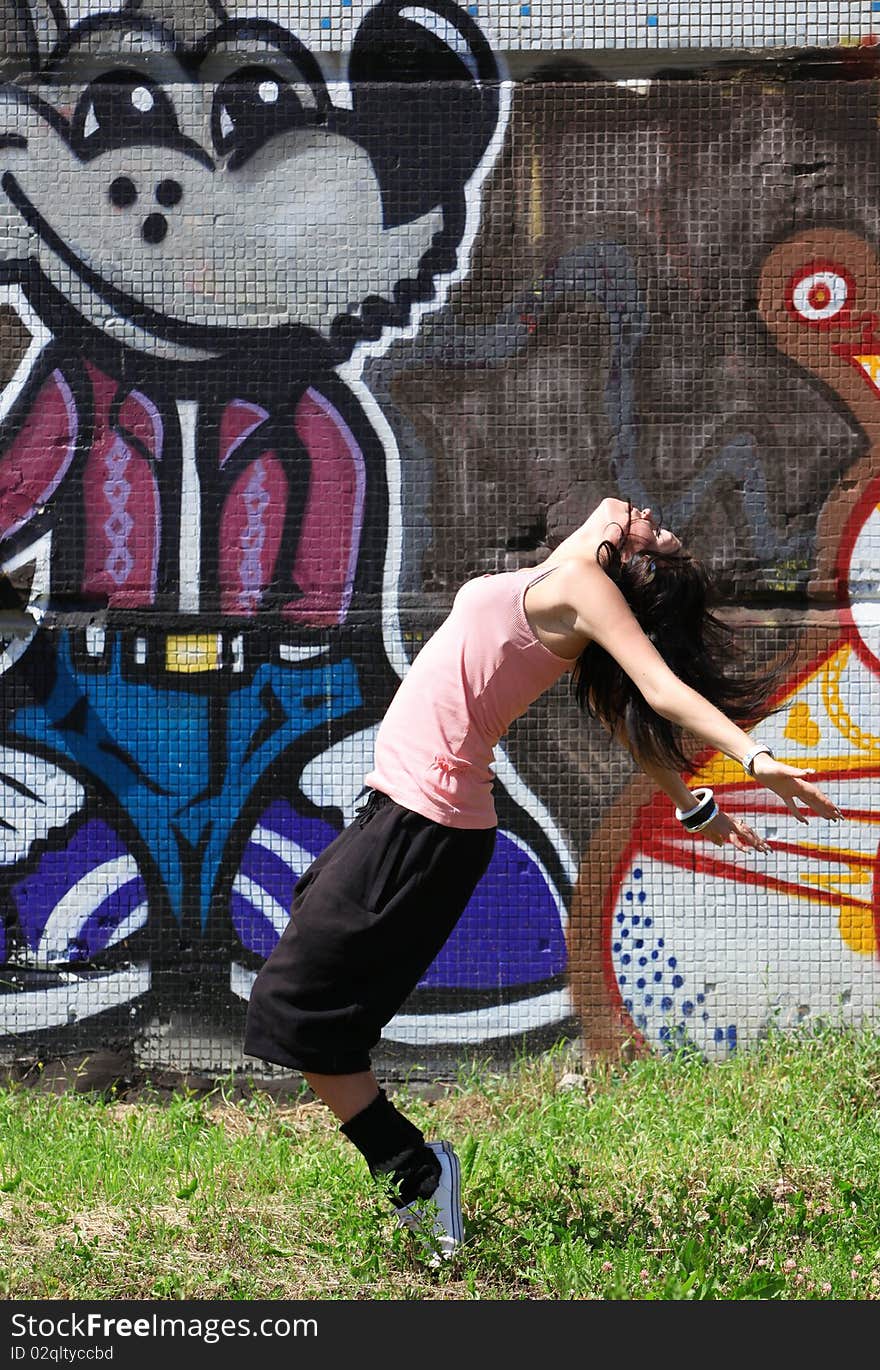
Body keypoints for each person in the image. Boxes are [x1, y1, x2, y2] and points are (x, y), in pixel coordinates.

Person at [243, 496, 841, 1264]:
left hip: (424, 825)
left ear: (629, 565)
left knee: (298, 1011)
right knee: (308, 1014)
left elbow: (658, 693)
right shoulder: (562, 576)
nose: (653, 515)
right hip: (398, 812)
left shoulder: (587, 584)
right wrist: (695, 808)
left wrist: (751, 758)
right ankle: (411, 1171)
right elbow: (626, 718)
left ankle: (417, 1174)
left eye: (657, 537)